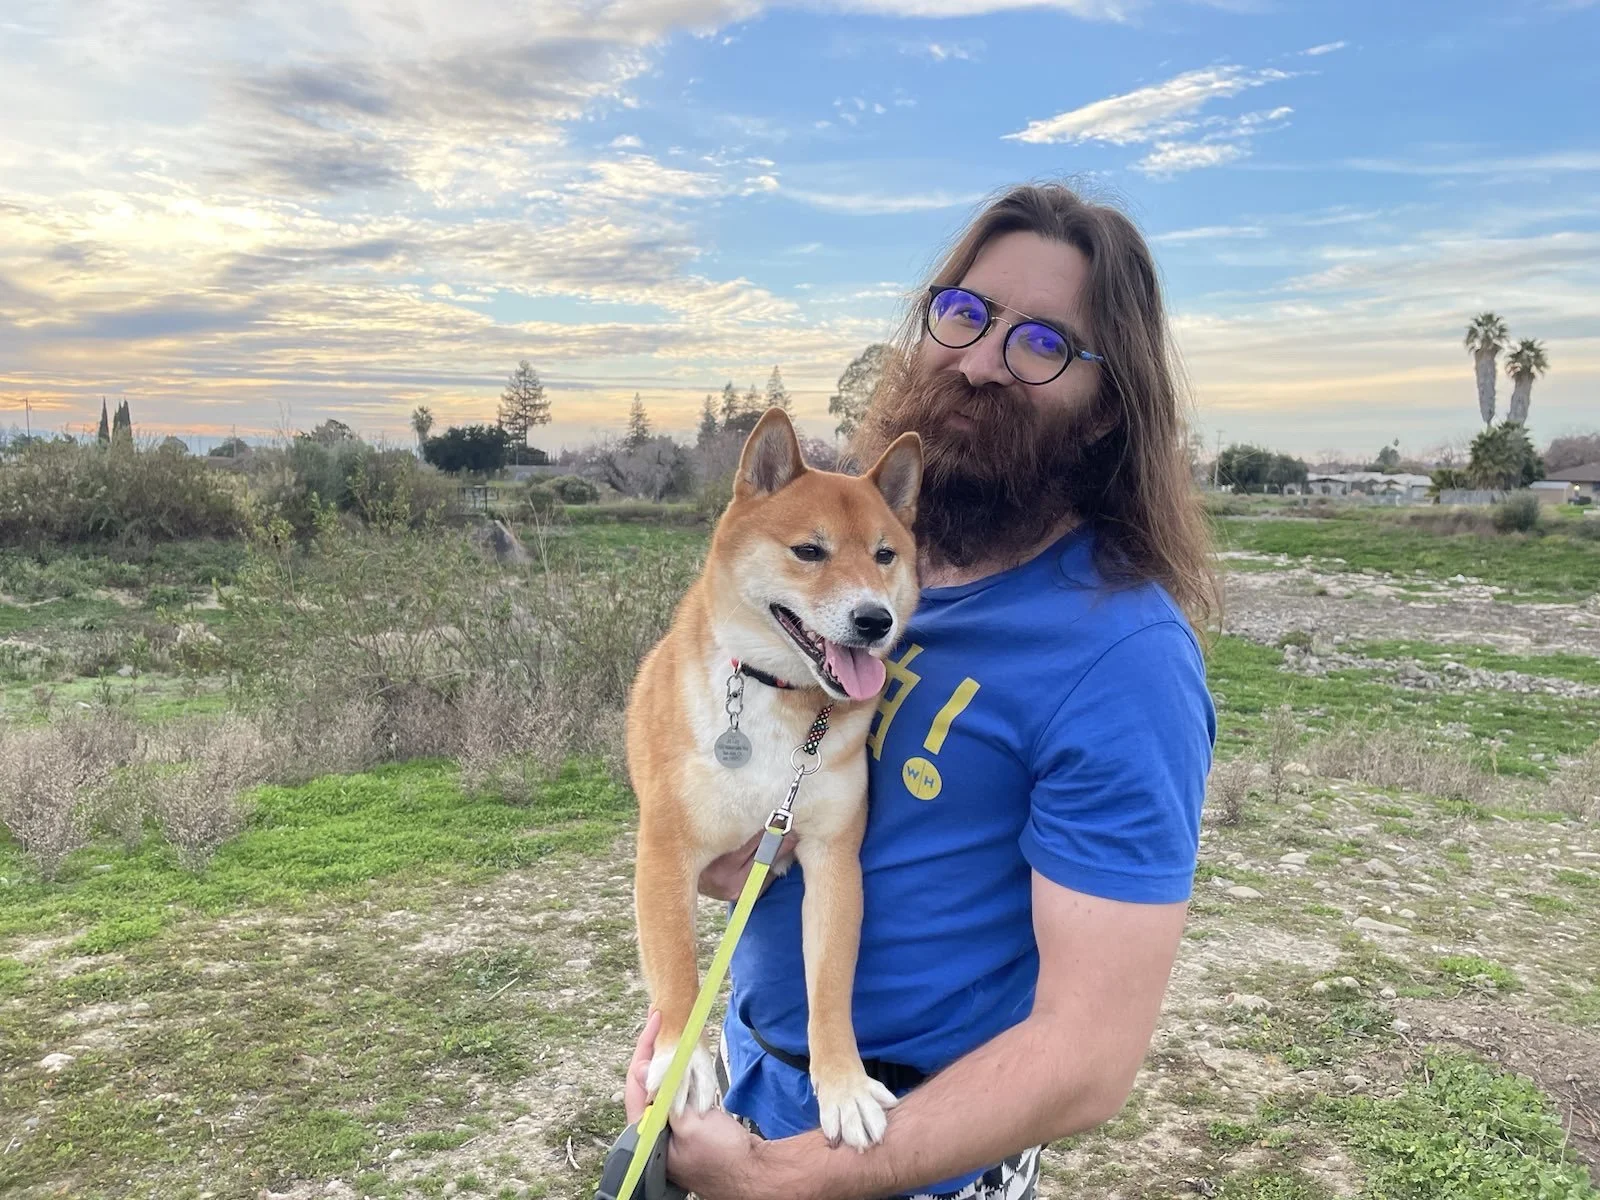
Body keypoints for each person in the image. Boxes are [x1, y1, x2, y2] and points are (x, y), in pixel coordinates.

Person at [623, 182, 1219, 1200]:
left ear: (1106, 407)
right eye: (965, 313)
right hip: (746, 1079)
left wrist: (786, 1179)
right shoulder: (867, 559)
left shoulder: (1122, 657)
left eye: (1042, 344)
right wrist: (675, 1027)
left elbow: (1085, 1057)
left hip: (903, 1149)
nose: (980, 359)